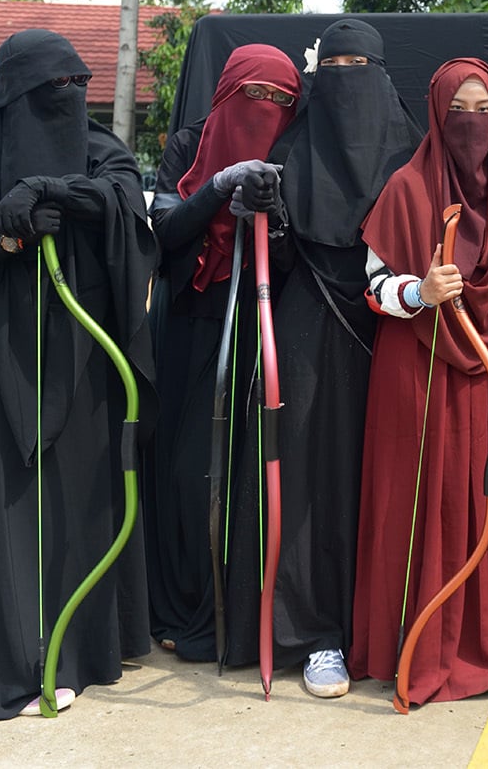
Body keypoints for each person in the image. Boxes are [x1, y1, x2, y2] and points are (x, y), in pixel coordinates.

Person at [0, 29, 157, 719]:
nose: (70, 100)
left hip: (81, 363)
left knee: (77, 511)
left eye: (78, 87)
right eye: (54, 89)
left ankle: (71, 655)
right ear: (16, 94)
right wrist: (3, 242)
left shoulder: (100, 149)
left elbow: (125, 203)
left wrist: (61, 191)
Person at [221, 18, 421, 697]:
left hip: (395, 343)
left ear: (384, 77)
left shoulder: (414, 161)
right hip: (308, 341)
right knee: (309, 485)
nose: (346, 84)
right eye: (331, 68)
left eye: (359, 67)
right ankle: (315, 636)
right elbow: (262, 269)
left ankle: (384, 628)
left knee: (388, 481)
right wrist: (272, 218)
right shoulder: (291, 159)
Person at [349, 58, 488, 704]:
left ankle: (480, 643)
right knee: (420, 504)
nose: (472, 124)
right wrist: (419, 291)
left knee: (486, 510)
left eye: (484, 111)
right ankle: (415, 644)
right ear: (435, 113)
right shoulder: (407, 188)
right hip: (418, 371)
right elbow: (371, 287)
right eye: (460, 110)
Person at [145, 44, 300, 662]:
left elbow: (298, 261)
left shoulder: (292, 151)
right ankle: (182, 605)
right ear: (227, 92)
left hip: (259, 326)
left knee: (248, 471)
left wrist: (274, 215)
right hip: (187, 324)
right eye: (255, 95)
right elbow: (163, 231)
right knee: (186, 471)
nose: (268, 111)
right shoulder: (187, 145)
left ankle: (240, 611)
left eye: (283, 100)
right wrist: (215, 189)